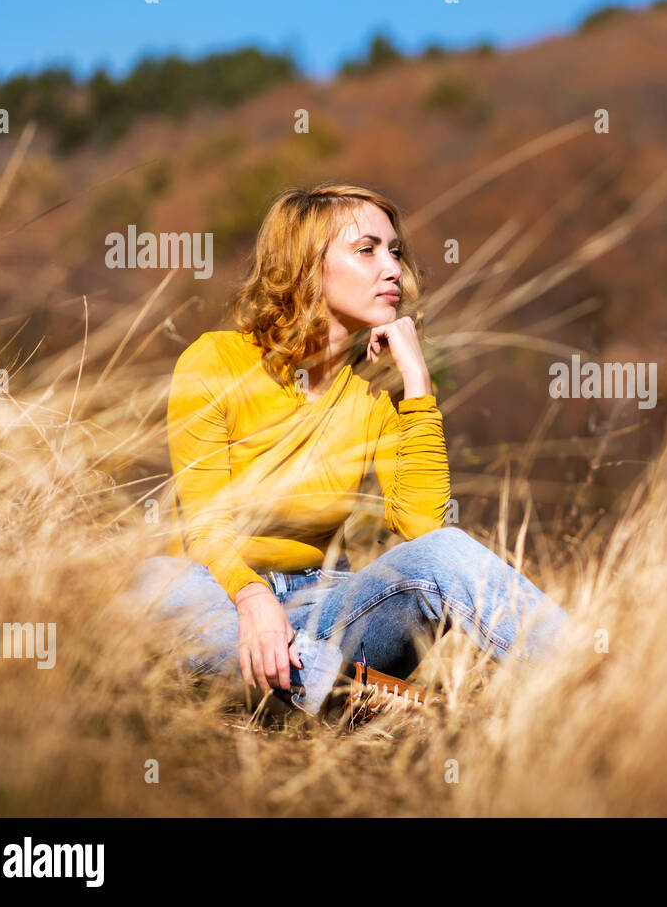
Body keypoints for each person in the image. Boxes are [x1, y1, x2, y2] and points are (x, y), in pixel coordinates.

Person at [128, 183, 570, 715]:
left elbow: (423, 526)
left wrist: (417, 384)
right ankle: (347, 698)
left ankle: (591, 680)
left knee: (448, 552)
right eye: (368, 250)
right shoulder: (215, 362)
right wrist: (253, 598)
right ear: (304, 266)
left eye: (396, 251)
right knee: (153, 585)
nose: (394, 270)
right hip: (222, 596)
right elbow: (205, 524)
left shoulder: (377, 392)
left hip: (325, 607)